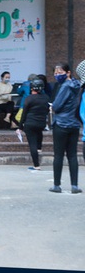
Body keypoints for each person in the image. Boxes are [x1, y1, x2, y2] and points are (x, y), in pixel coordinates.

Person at [49, 63, 82, 194]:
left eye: (59, 72)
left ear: (68, 72)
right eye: (55, 73)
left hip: (61, 123)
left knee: (58, 155)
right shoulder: (77, 85)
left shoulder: (65, 87)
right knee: (72, 155)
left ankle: (57, 185)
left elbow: (56, 106)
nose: (57, 75)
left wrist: (53, 107)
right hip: (74, 124)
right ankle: (74, 185)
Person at [19, 79, 50, 170]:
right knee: (39, 133)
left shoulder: (29, 98)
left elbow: (24, 113)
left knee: (32, 144)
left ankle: (36, 165)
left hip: (30, 123)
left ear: (32, 88)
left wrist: (20, 126)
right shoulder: (46, 98)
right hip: (41, 123)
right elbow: (47, 110)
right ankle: (39, 147)